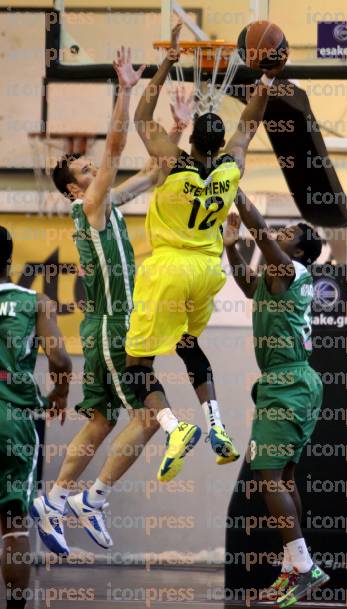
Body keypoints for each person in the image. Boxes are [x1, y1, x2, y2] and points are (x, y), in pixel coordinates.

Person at [30, 47, 192, 555]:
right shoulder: (93, 205)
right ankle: (93, 499)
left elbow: (157, 171)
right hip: (114, 327)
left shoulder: (106, 206)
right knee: (147, 417)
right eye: (83, 167)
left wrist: (178, 127)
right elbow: (119, 148)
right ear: (75, 190)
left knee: (101, 420)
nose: (92, 166)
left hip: (108, 325)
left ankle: (54, 500)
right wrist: (123, 90)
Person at [126, 21, 282, 483]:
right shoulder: (232, 168)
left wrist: (167, 65)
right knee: (189, 345)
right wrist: (267, 79)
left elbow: (140, 120)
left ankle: (175, 428)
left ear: (191, 138)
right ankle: (218, 423)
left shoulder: (173, 163)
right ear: (219, 142)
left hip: (169, 269)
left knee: (137, 365)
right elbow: (250, 121)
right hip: (206, 271)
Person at [223, 190, 329, 607]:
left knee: (267, 475)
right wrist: (232, 251)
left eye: (289, 233)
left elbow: (261, 233)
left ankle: (303, 566)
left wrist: (231, 185)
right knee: (281, 477)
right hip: (286, 383)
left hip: (289, 382)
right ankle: (292, 567)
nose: (279, 234)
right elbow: (248, 288)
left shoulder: (291, 269)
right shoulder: (273, 278)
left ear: (300, 252)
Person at [0, 226, 71, 609]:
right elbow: (59, 359)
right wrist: (58, 394)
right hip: (14, 417)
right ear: (9, 261)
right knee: (13, 525)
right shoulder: (35, 302)